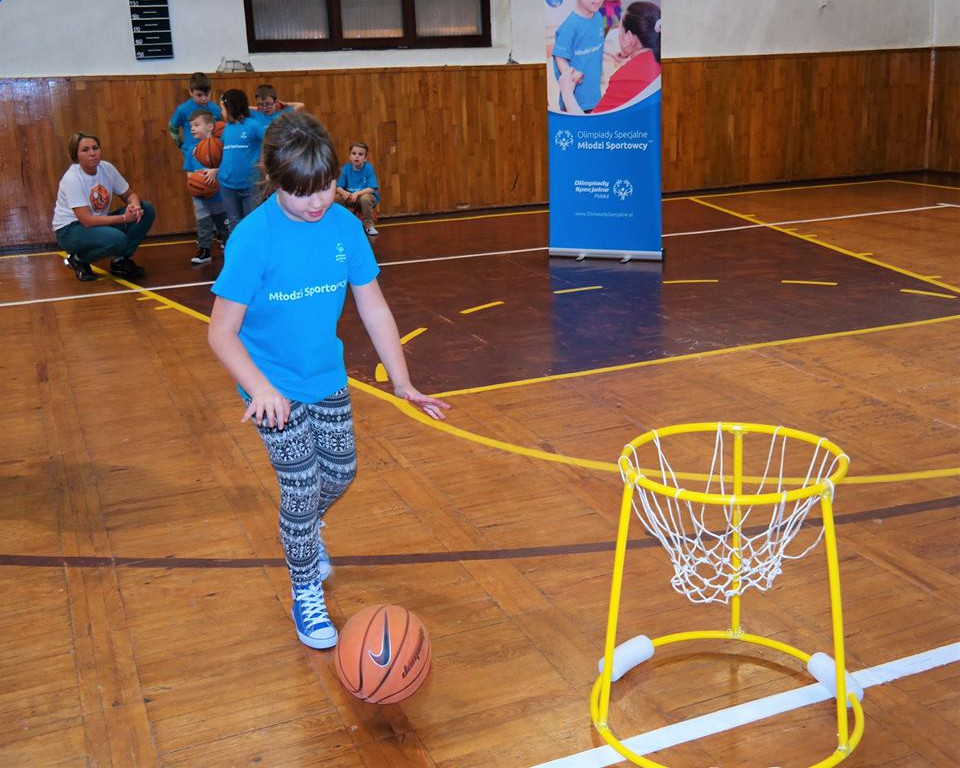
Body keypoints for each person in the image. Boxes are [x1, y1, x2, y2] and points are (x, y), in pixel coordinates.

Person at [208, 111, 450, 650]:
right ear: (274, 181)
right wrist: (261, 388)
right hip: (271, 388)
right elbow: (221, 332)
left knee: (339, 474)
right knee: (300, 489)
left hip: (326, 376)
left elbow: (373, 305)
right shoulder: (253, 238)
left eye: (326, 187)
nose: (317, 201)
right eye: (303, 193)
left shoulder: (343, 225)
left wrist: (404, 383)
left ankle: (306, 531)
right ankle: (304, 591)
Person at [52, 131, 155, 282]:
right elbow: (87, 220)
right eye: (85, 150)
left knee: (147, 210)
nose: (92, 153)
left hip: (96, 223)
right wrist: (125, 217)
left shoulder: (107, 168)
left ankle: (120, 261)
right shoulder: (72, 179)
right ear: (76, 155)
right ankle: (79, 259)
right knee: (117, 239)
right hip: (70, 230)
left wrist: (135, 206)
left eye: (95, 148)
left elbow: (129, 194)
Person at [558, 1, 661, 115]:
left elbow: (590, 129)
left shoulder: (624, 78)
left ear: (629, 37)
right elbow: (561, 55)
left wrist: (566, 92)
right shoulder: (570, 26)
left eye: (620, 26)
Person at [201, 89, 265, 233]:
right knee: (234, 222)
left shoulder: (253, 126)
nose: (221, 112)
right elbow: (228, 155)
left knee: (252, 222)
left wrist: (266, 166)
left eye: (222, 108)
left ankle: (254, 254)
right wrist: (216, 170)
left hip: (250, 185)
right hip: (227, 185)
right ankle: (238, 254)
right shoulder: (225, 129)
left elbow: (271, 143)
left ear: (231, 107)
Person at [186, 110, 229, 265]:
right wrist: (194, 182)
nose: (192, 129)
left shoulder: (221, 146)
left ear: (210, 126)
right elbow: (189, 172)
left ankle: (228, 245)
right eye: (191, 126)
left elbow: (228, 166)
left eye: (197, 125)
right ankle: (205, 250)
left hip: (218, 192)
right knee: (203, 222)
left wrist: (215, 171)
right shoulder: (192, 149)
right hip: (199, 194)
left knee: (223, 222)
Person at [552, 0, 605, 113]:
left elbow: (597, 44)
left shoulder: (598, 17)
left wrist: (612, 54)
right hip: (575, 100)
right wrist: (570, 74)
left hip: (594, 96)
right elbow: (559, 56)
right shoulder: (570, 26)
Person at [167, 72, 223, 170]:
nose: (204, 98)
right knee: (196, 183)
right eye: (199, 95)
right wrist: (180, 145)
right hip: (192, 154)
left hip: (211, 153)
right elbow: (172, 126)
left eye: (207, 94)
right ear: (190, 92)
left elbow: (219, 130)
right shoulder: (183, 109)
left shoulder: (216, 109)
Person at [335, 143, 380, 236]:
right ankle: (342, 224)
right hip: (350, 197)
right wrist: (343, 192)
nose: (356, 156)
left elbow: (371, 189)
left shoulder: (368, 168)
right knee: (336, 198)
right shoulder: (345, 169)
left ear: (365, 158)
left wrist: (357, 193)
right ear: (350, 156)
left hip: (364, 197)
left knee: (365, 198)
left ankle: (369, 226)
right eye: (354, 153)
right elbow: (338, 187)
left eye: (360, 154)